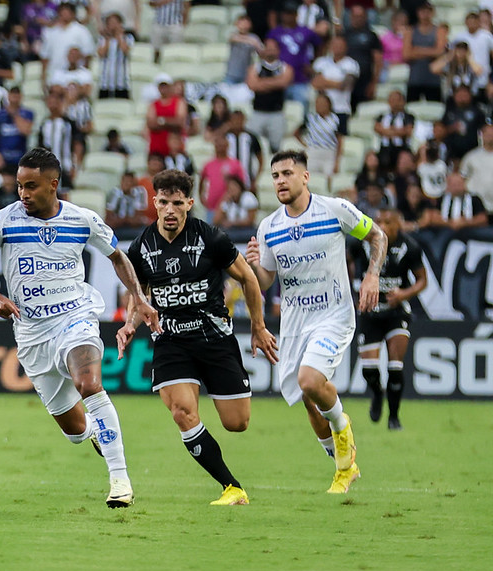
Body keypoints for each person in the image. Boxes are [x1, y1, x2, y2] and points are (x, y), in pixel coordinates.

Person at [0, 147, 161, 508]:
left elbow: (118, 257)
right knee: (75, 432)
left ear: (53, 185)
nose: (23, 194)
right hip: (31, 332)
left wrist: (139, 298)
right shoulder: (3, 221)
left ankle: (120, 480)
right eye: (20, 186)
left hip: (75, 316)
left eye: (31, 186)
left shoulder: (82, 219)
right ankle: (96, 434)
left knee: (89, 384)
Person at [115, 169, 277, 505]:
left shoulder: (210, 238)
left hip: (214, 338)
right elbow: (138, 292)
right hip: (171, 341)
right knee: (182, 412)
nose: (170, 209)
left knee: (237, 423)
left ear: (190, 203)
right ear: (154, 202)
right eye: (163, 202)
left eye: (177, 203)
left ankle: (231, 482)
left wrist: (259, 328)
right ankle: (231, 487)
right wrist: (131, 323)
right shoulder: (142, 246)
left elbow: (248, 279)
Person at [246, 149, 387, 494]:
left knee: (310, 381)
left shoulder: (334, 209)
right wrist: (253, 266)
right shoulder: (269, 227)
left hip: (333, 315)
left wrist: (372, 276)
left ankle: (342, 426)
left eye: (287, 173)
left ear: (305, 177)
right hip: (295, 324)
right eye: (275, 175)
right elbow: (266, 280)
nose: (280, 181)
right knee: (306, 399)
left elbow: (378, 236)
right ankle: (343, 466)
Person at [348, 208, 427, 431]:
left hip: (396, 312)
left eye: (388, 222)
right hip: (369, 312)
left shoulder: (409, 247)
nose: (382, 225)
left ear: (398, 224)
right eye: (379, 221)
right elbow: (342, 262)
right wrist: (350, 292)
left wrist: (403, 294)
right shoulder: (360, 244)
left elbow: (422, 280)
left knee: (395, 366)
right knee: (370, 371)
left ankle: (394, 417)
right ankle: (376, 394)